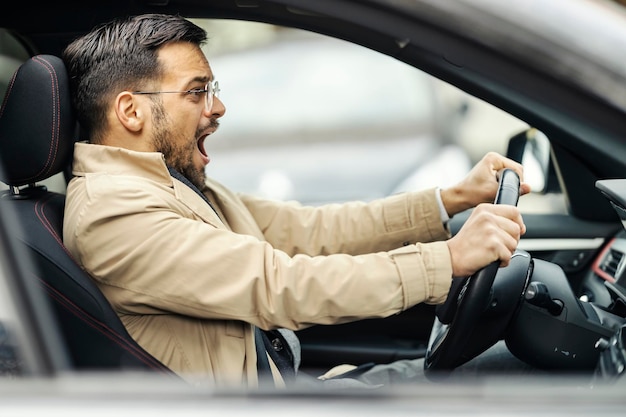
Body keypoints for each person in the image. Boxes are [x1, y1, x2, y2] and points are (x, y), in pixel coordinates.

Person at [61, 13, 530, 389]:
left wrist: (449, 199)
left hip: (286, 388)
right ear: (130, 111)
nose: (216, 107)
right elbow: (279, 285)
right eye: (196, 92)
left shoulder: (170, 183)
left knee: (509, 372)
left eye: (212, 91)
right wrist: (446, 260)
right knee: (523, 380)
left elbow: (310, 231)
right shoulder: (114, 213)